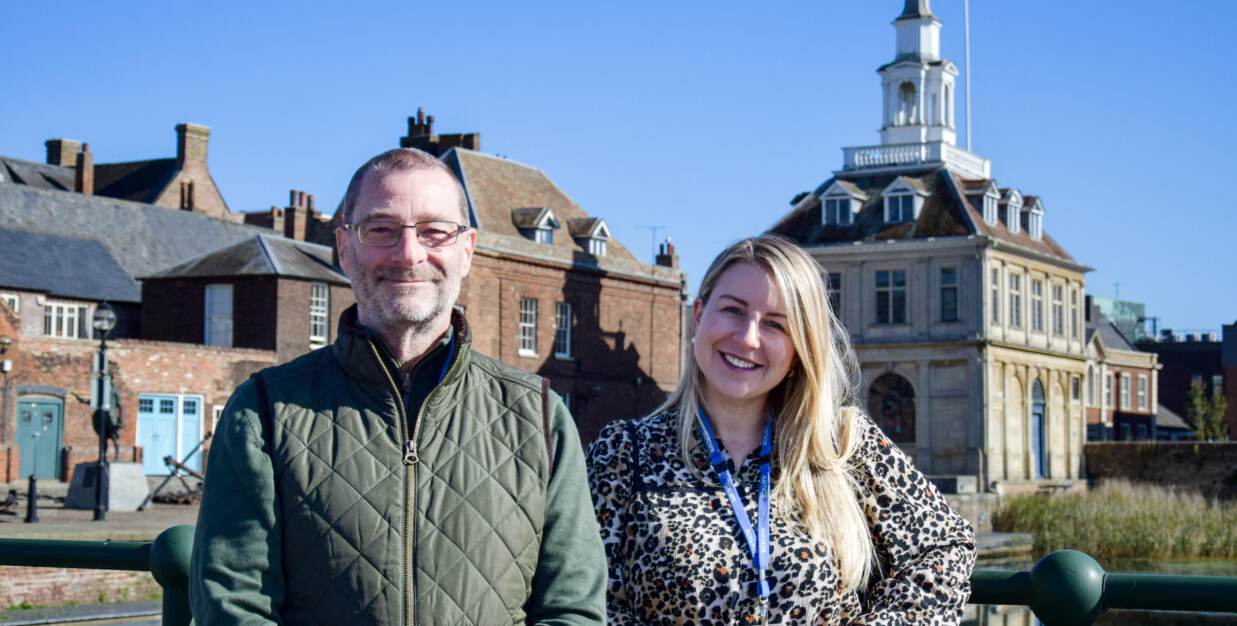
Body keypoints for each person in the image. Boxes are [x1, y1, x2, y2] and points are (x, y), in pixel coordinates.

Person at [191, 148, 606, 625]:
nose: (409, 253)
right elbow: (234, 606)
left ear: (466, 249)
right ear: (344, 248)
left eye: (434, 231)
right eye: (381, 230)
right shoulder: (263, 410)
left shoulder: (539, 415)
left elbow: (572, 611)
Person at [586, 235, 976, 624]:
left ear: (798, 350)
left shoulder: (842, 444)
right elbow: (589, 600)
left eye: (774, 325)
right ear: (699, 315)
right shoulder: (624, 452)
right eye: (733, 311)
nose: (747, 338)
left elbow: (945, 549)